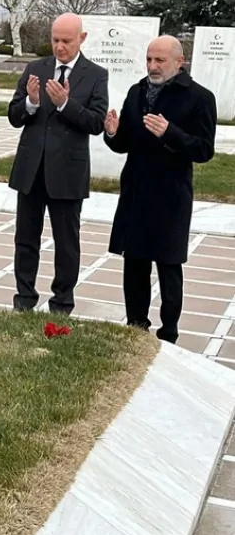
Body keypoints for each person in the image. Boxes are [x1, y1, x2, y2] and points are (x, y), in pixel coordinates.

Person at [103, 35, 216, 344]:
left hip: (171, 196)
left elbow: (204, 149)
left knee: (168, 265)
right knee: (135, 263)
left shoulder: (199, 98)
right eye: (149, 59)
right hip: (136, 193)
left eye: (160, 60)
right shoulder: (137, 92)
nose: (152, 66)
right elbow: (125, 142)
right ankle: (136, 326)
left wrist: (171, 133)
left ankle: (169, 333)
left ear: (180, 62)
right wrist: (113, 133)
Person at [7, 12, 108, 314]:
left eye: (66, 41)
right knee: (26, 239)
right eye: (55, 40)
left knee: (66, 243)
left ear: (82, 39)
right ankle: (24, 299)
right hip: (31, 170)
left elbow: (96, 122)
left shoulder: (95, 74)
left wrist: (65, 104)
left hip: (67, 172)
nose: (60, 47)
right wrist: (31, 103)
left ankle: (62, 301)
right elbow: (14, 116)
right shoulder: (35, 68)